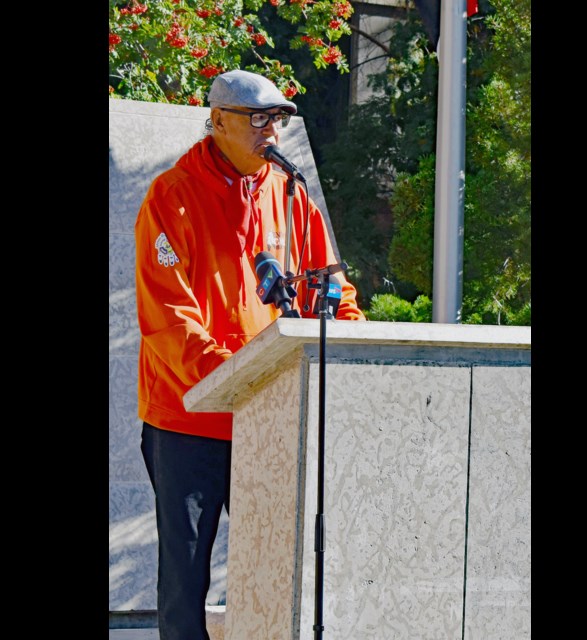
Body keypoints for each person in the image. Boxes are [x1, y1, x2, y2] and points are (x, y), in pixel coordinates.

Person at [133, 69, 366, 639]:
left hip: (268, 421)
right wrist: (234, 378)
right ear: (216, 123)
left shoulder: (289, 194)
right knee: (185, 586)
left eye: (278, 120)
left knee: (279, 573)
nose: (271, 133)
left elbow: (334, 290)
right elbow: (169, 320)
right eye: (258, 119)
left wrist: (352, 344)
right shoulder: (172, 197)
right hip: (189, 423)